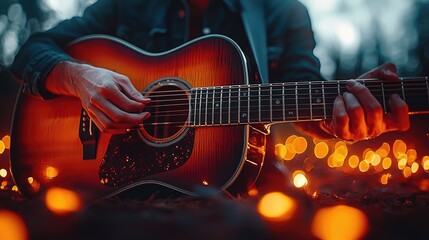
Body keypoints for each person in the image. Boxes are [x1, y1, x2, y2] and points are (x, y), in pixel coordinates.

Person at [12, 0, 409, 142]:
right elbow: (31, 51)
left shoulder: (284, 12)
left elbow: (300, 90)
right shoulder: (125, 4)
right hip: (109, 182)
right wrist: (81, 79)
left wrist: (342, 114)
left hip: (234, 182)